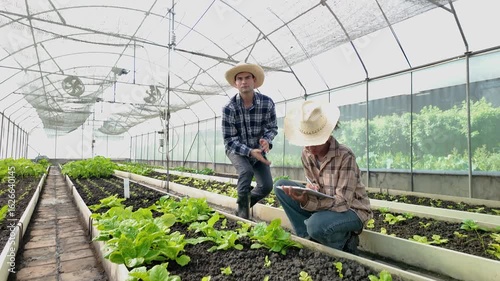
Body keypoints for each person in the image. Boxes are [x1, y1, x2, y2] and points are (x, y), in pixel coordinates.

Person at [273, 100, 372, 255]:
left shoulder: (345, 156)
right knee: (280, 186)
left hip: (352, 210)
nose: (310, 148)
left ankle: (345, 241)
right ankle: (309, 239)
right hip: (326, 207)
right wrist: (309, 190)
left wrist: (307, 202)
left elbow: (343, 202)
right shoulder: (307, 154)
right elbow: (314, 184)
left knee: (315, 224)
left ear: (327, 135)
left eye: (314, 142)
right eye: (306, 142)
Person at [222, 62, 278, 219]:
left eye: (247, 78)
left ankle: (243, 205)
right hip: (236, 149)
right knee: (246, 171)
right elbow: (229, 139)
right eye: (239, 79)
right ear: (235, 83)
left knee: (266, 186)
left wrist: (267, 140)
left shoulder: (267, 103)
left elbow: (272, 128)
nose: (243, 82)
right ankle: (242, 216)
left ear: (254, 81)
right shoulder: (229, 108)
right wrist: (249, 152)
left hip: (258, 150)